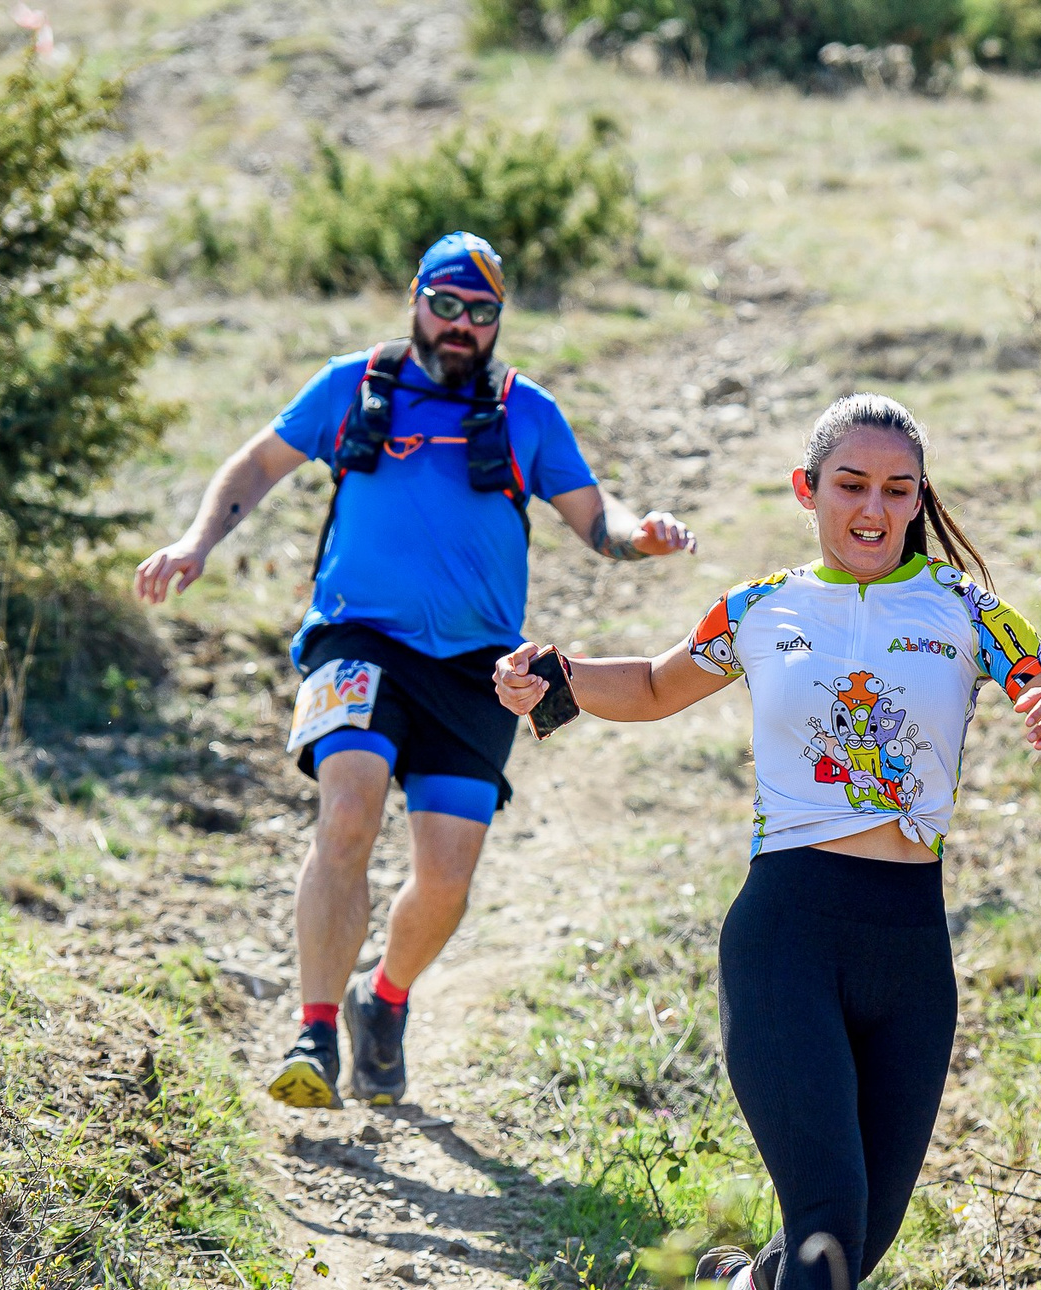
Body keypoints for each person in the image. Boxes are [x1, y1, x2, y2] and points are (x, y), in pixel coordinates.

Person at [494, 394, 1041, 1290]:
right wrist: (559, 673)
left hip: (909, 949)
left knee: (861, 1237)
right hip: (786, 929)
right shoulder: (761, 607)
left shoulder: (968, 611)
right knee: (825, 1211)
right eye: (851, 486)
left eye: (896, 489)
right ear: (809, 491)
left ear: (917, 500)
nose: (874, 508)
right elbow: (649, 684)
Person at [132, 231, 696, 1110]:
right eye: (446, 305)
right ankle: (314, 1030)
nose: (461, 325)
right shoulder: (354, 385)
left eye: (481, 313)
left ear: (498, 321)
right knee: (348, 811)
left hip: (478, 666)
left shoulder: (524, 410)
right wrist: (196, 542)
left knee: (445, 876)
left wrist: (639, 533)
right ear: (414, 298)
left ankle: (382, 999)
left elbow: (595, 513)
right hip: (358, 639)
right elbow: (256, 463)